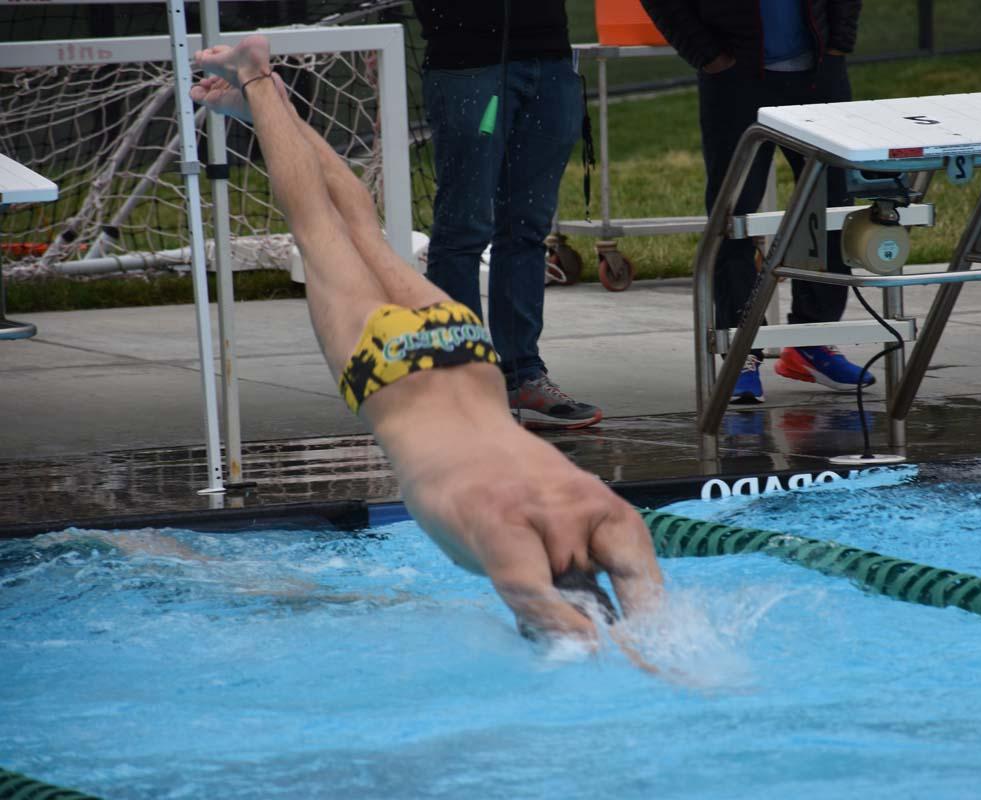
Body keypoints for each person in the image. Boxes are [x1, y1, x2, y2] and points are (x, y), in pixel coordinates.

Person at [189, 36, 663, 642]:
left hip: (465, 348)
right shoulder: (504, 535)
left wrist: (641, 644)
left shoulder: (612, 517)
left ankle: (271, 102)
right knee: (318, 226)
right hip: (391, 376)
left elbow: (650, 606)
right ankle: (258, 83)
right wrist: (607, 652)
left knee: (363, 230)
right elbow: (550, 607)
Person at [639, 0, 873, 403]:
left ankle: (812, 341)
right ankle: (741, 350)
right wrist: (708, 56)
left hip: (818, 73)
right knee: (735, 214)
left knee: (831, 209)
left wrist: (838, 46)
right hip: (735, 76)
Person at [412, 0, 602, 430]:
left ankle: (523, 373)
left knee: (527, 229)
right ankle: (461, 377)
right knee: (464, 228)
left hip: (549, 59)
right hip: (467, 62)